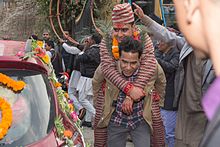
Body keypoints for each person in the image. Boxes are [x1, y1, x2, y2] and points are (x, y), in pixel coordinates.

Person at [133, 2, 215, 147]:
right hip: (185, 108)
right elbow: (167, 35)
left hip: (206, 113)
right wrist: (145, 19)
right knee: (180, 141)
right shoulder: (188, 45)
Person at [94, 3, 165, 147]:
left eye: (124, 29)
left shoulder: (144, 38)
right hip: (110, 89)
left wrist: (132, 94)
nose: (119, 34)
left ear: (133, 28)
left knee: (157, 125)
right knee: (100, 124)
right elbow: (108, 69)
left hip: (144, 91)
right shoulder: (107, 41)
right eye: (116, 29)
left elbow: (149, 66)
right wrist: (129, 89)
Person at [155, 40, 180, 147]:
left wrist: (157, 61)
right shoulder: (159, 53)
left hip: (170, 99)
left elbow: (171, 67)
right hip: (160, 97)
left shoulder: (176, 55)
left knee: (170, 132)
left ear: (169, 43)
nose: (158, 43)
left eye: (161, 41)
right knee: (161, 131)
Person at [76, 33, 102, 127]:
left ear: (93, 41)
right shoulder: (98, 50)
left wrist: (84, 48)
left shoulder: (93, 50)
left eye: (89, 39)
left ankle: (96, 114)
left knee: (82, 99)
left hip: (87, 77)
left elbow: (80, 58)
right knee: (89, 99)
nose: (87, 41)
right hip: (91, 76)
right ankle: (87, 120)